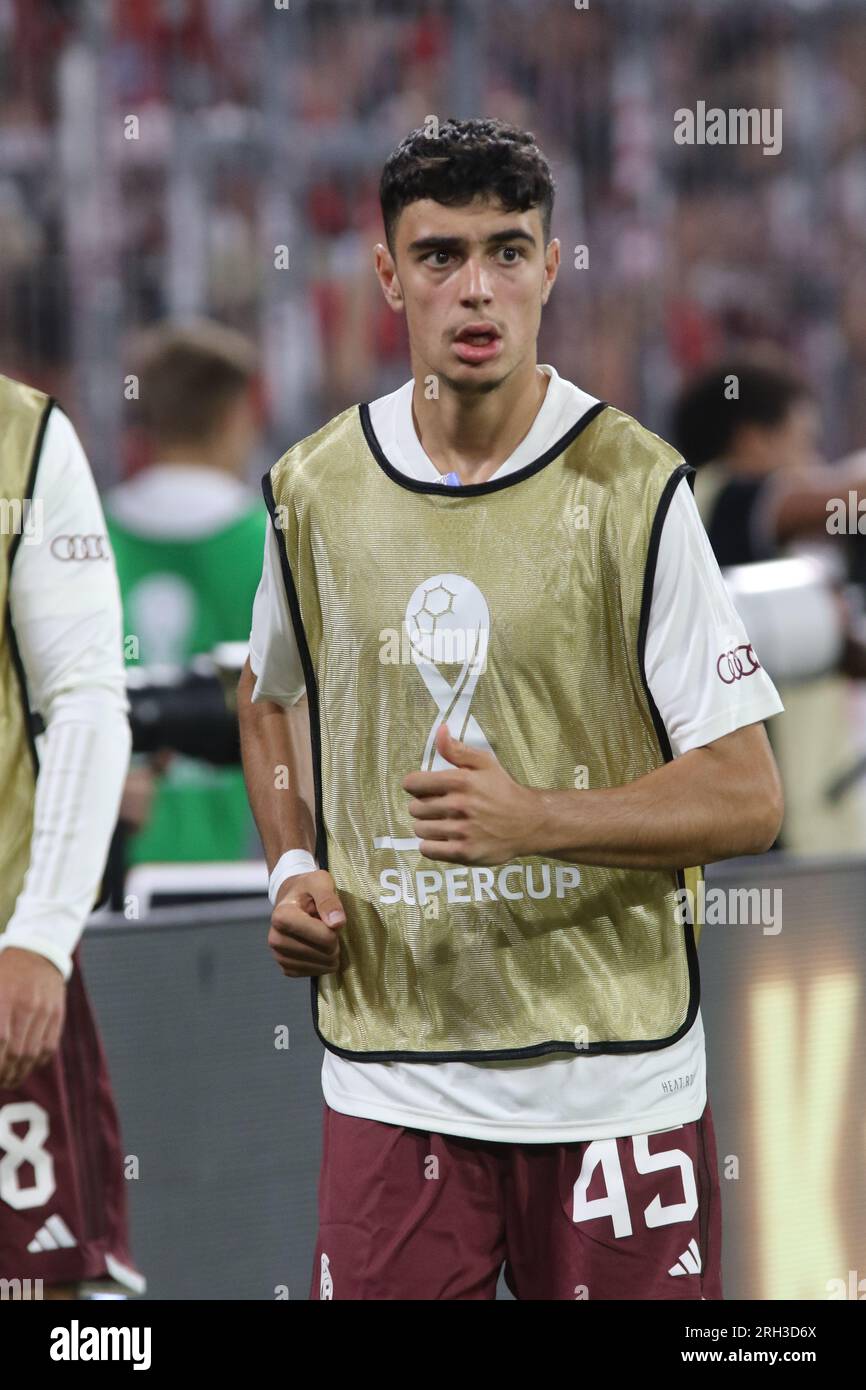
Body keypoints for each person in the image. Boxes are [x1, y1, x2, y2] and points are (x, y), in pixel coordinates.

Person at [238, 119, 785, 1301]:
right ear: (385, 276)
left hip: (613, 1075)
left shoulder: (636, 489)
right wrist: (289, 867)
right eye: (438, 256)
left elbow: (746, 791)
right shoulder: (312, 491)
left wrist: (531, 818)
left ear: (550, 265)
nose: (473, 288)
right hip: (394, 1075)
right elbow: (265, 695)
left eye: (505, 250)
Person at [0, 373, 143, 1298]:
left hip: (0, 961)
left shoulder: (24, 437)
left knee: (54, 1302)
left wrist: (42, 934)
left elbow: (87, 699)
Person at [672, 356, 866, 854]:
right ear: (752, 439)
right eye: (804, 440)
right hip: (781, 828)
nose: (814, 459)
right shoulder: (723, 497)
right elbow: (846, 500)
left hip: (797, 821)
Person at [104, 319, 266, 866]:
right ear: (231, 418)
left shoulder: (86, 537)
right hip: (245, 870)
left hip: (113, 861)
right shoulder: (269, 540)